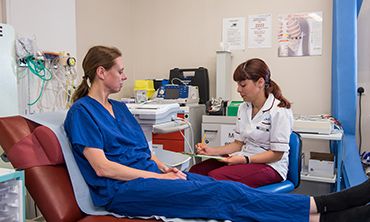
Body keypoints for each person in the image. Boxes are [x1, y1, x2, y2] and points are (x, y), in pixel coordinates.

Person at [64, 45, 366, 222]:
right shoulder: (82, 112)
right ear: (101, 73)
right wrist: (159, 177)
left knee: (227, 190)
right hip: (123, 191)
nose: (125, 76)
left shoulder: (120, 108)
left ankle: (324, 213)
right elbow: (103, 168)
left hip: (149, 176)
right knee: (218, 192)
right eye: (120, 71)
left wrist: (163, 166)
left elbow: (143, 152)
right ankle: (322, 207)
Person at [190, 58, 293, 188]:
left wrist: (246, 160)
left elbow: (277, 154)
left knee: (216, 178)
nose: (238, 89)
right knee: (196, 172)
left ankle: (215, 208)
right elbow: (238, 144)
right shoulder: (243, 108)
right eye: (238, 85)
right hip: (245, 157)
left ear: (260, 82)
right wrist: (212, 151)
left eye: (243, 85)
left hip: (271, 166)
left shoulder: (279, 111)